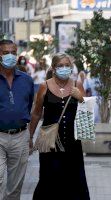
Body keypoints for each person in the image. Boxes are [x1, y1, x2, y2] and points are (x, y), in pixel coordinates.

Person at [29, 53, 90, 199]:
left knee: (74, 177)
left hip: (72, 141)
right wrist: (30, 136)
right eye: (60, 66)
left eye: (67, 66)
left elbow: (86, 112)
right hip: (48, 140)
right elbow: (36, 113)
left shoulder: (77, 84)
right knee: (48, 177)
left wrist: (81, 98)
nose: (64, 68)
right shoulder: (45, 86)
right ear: (53, 68)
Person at [0, 40, 34, 200]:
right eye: (6, 52)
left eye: (13, 52)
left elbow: (29, 108)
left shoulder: (26, 80)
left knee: (15, 186)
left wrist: (30, 136)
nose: (10, 56)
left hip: (20, 136)